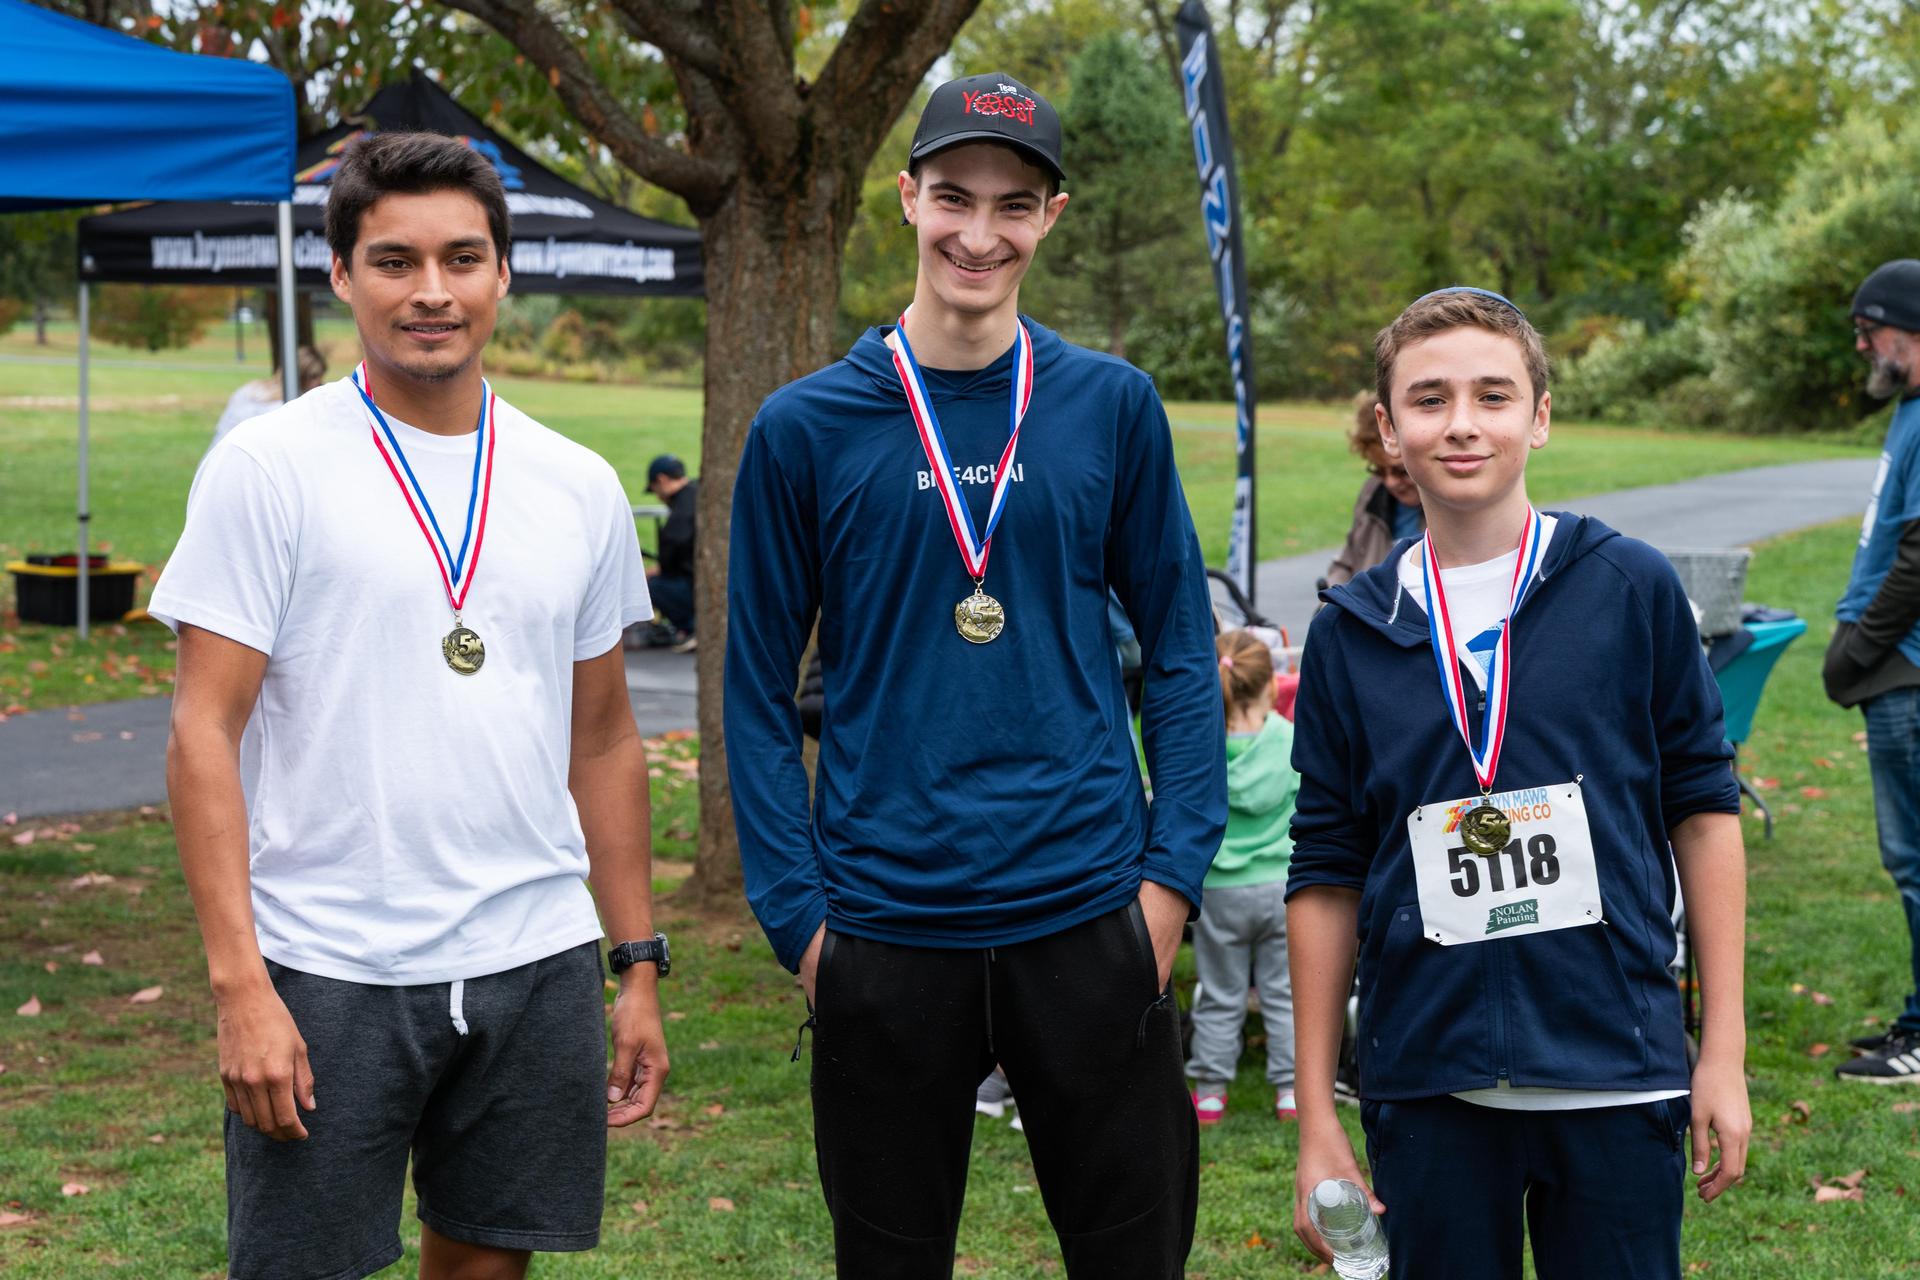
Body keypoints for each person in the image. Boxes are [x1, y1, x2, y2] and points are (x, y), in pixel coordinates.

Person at [724, 71, 1226, 1278]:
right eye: (954, 196)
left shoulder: (1112, 406)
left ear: (1051, 216)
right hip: (887, 924)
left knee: (1134, 1255)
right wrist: (800, 920)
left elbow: (1180, 648)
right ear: (907, 198)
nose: (979, 233)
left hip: (1089, 908)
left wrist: (1170, 882)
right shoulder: (806, 427)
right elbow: (748, 686)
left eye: (1013, 205)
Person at [153, 132, 668, 1280]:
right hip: (330, 961)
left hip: (534, 959)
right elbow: (201, 735)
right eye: (394, 261)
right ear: (341, 274)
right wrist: (240, 983)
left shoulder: (577, 483)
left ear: (502, 272)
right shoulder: (268, 468)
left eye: (461, 258)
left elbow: (606, 738)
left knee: (488, 1262)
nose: (431, 292)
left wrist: (635, 964)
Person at [1286, 287, 1751, 1278]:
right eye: (1430, 399)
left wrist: (1721, 1050)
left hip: (1616, 1068)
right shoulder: (1351, 629)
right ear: (1388, 429)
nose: (1462, 423)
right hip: (1428, 1081)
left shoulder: (1629, 588)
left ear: (1539, 415)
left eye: (1493, 395)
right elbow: (1325, 866)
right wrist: (1319, 1110)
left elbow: (1703, 809)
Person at [1823, 257, 1920, 1083]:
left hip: (1907, 672)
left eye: (1870, 329)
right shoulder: (1910, 410)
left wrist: (1859, 649)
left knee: (1918, 860)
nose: (1863, 345)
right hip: (1895, 669)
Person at [1188, 628, 1298, 1125]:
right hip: (1281, 889)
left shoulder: (1200, 746)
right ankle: (1291, 1092)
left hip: (1219, 892)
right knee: (1285, 991)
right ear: (1273, 686)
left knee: (1219, 990)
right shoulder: (1292, 740)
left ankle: (1210, 1090)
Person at [1325, 389, 1424, 587]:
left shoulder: (1450, 507)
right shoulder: (1373, 491)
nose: (1390, 483)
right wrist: (1332, 600)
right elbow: (1346, 562)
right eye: (1379, 470)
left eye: (1401, 472)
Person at [210, 344, 328, 450]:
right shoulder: (284, 406)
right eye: (314, 376)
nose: (319, 382)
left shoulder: (250, 388)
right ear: (301, 375)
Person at [644, 453, 699, 652]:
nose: (658, 496)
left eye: (655, 489)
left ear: (662, 480)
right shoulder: (696, 492)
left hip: (692, 584)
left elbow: (673, 549)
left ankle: (693, 628)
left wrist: (655, 570)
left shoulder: (681, 510)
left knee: (652, 586)